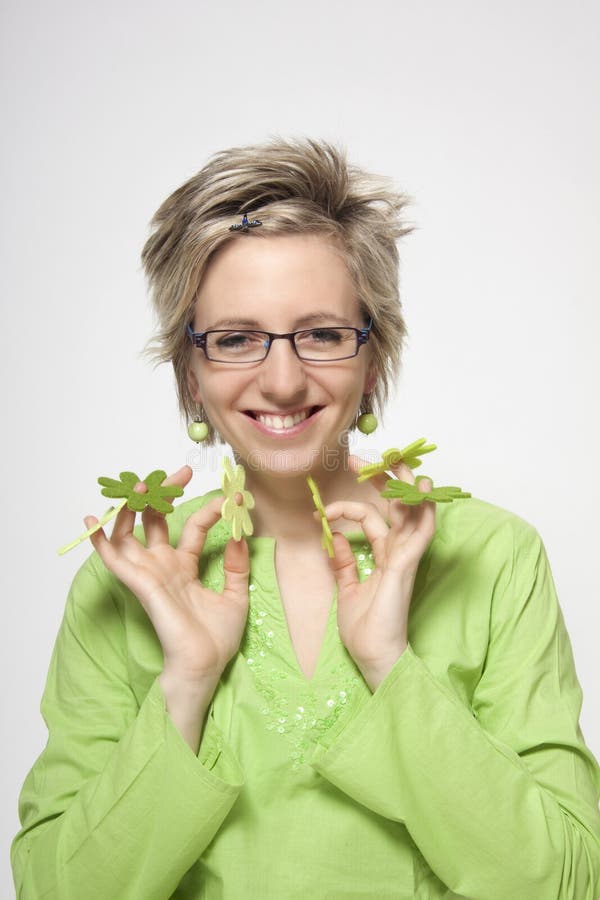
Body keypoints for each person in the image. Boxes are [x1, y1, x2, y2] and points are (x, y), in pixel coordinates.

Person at [12, 139, 600, 900]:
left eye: (322, 334)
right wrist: (186, 684)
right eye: (234, 339)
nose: (283, 380)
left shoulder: (494, 556)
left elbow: (564, 883)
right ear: (190, 375)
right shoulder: (128, 576)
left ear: (374, 359)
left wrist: (391, 664)